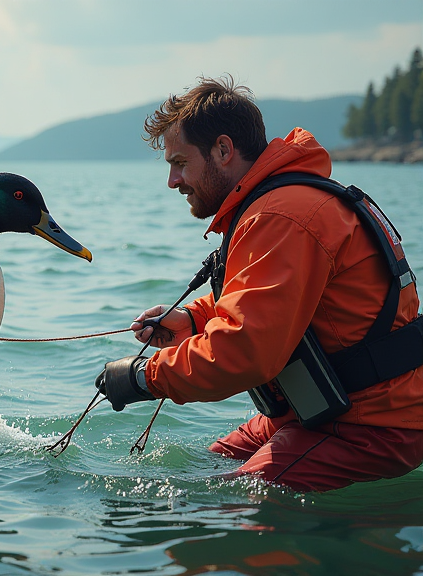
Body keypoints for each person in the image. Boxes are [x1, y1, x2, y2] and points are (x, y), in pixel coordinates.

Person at [95, 76, 423, 492]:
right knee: (203, 472)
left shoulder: (281, 216)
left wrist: (142, 377)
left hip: (371, 423)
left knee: (233, 502)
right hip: (321, 409)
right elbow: (269, 305)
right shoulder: (276, 205)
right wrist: (193, 323)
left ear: (223, 150)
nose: (173, 181)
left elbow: (244, 353)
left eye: (179, 162)